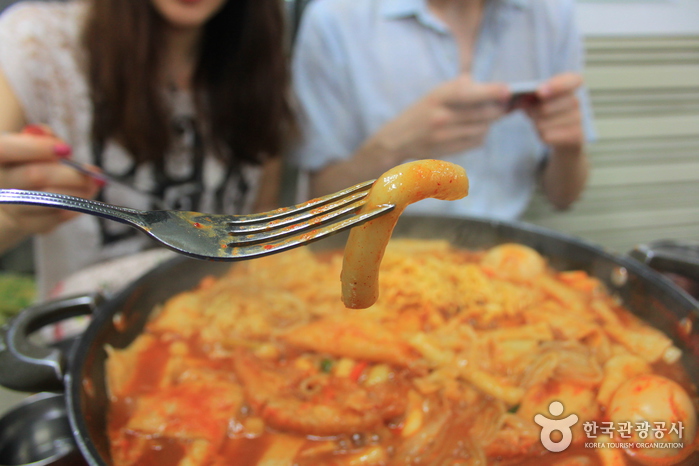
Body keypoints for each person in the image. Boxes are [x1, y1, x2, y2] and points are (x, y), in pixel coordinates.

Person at [0, 0, 296, 298]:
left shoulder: (260, 60)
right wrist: (11, 216)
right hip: (79, 324)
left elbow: (262, 218)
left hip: (228, 315)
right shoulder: (38, 44)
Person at [291, 0, 596, 221]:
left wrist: (568, 149)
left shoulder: (553, 16)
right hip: (380, 261)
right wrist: (392, 146)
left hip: (504, 261)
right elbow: (318, 206)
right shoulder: (335, 20)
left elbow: (564, 196)